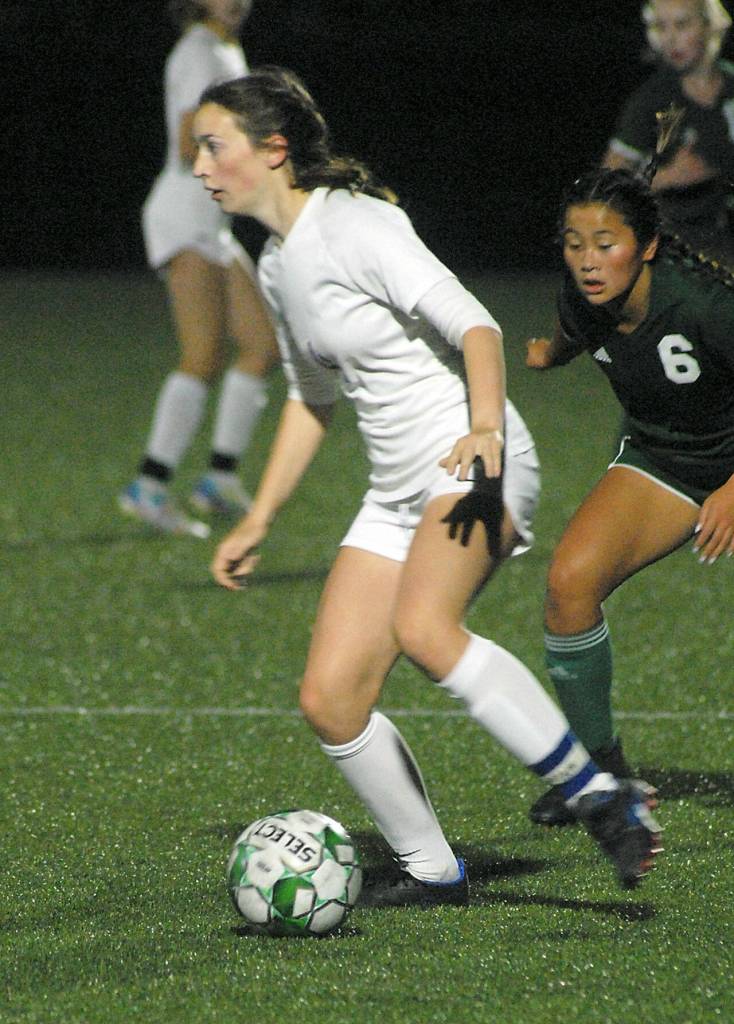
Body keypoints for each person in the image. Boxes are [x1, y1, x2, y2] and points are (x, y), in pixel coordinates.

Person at [195, 66, 662, 902]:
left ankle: (603, 797)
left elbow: (474, 323)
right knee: (330, 698)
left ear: (271, 150)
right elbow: (311, 397)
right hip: (396, 490)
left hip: (474, 459)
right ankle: (432, 870)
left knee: (424, 625)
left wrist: (484, 429)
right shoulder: (275, 265)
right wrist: (259, 516)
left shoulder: (358, 225)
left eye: (212, 145)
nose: (199, 165)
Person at [525, 164, 734, 827]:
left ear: (646, 246)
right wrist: (550, 354)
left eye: (605, 243)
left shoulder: (704, 304)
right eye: (574, 242)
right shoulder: (582, 298)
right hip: (663, 461)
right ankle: (601, 777)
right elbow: (572, 333)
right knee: (569, 584)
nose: (588, 261)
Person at [119, 0, 278, 538]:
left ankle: (218, 479)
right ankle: (149, 485)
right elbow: (190, 147)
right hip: (185, 213)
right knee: (203, 355)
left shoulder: (225, 48)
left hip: (213, 223)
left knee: (261, 346)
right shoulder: (198, 50)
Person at [603, 0, 734, 263]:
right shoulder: (653, 100)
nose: (670, 38)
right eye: (661, 27)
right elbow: (609, 181)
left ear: (712, 27)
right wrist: (667, 177)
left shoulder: (730, 87)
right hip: (675, 249)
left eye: (682, 24)